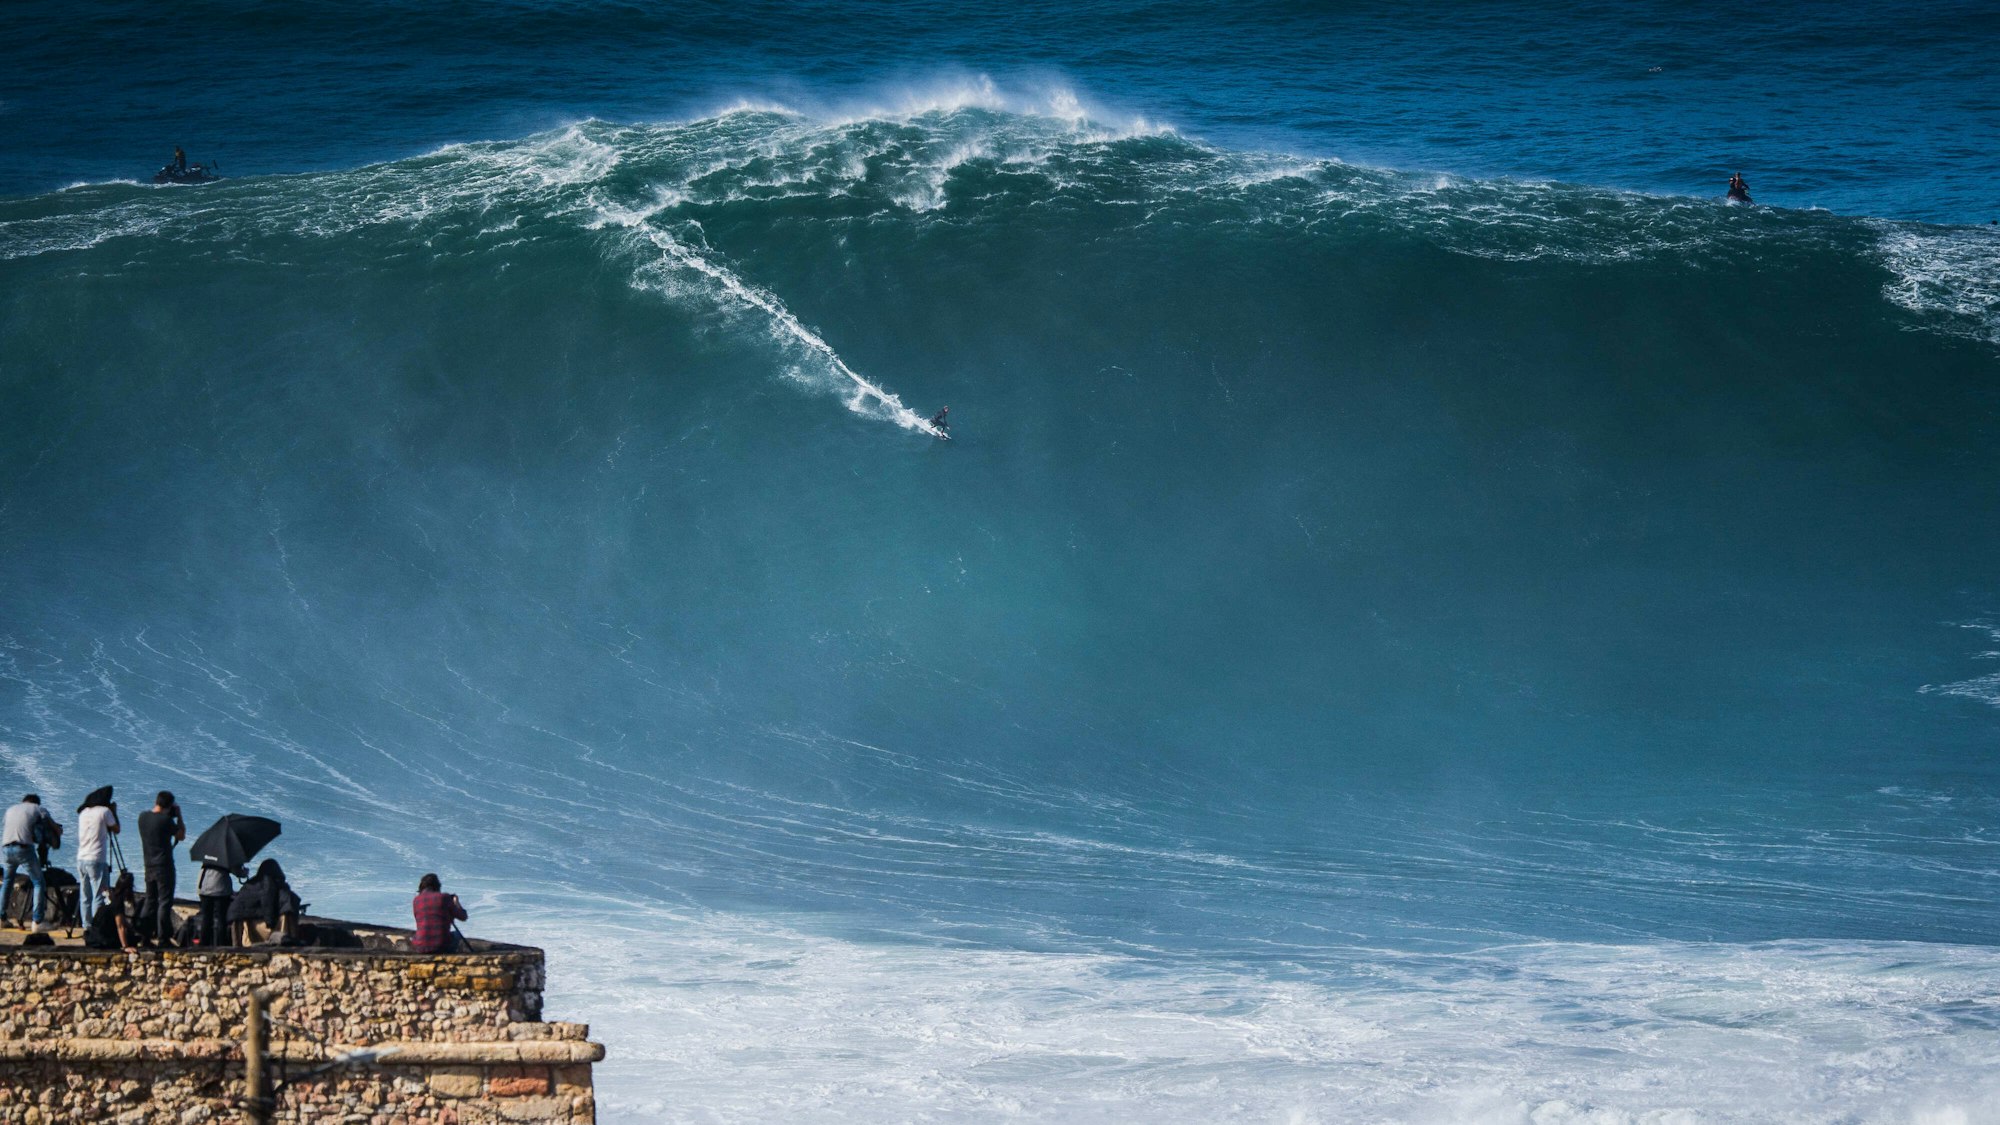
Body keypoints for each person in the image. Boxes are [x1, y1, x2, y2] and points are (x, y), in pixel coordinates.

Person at [2, 794, 60, 931]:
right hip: (23, 848)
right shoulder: (38, 809)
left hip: (6, 848)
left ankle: (2, 918)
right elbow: (52, 827)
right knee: (39, 882)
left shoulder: (11, 809)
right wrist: (57, 832)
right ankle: (38, 921)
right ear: (36, 802)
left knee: (7, 882)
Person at [136, 791, 185, 945]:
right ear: (169, 805)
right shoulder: (165, 821)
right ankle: (163, 938)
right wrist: (179, 816)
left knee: (150, 901)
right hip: (164, 866)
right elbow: (181, 835)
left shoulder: (142, 817)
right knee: (164, 902)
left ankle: (144, 936)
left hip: (148, 865)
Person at [75, 789, 121, 930]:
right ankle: (98, 927)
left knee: (85, 896)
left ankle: (86, 927)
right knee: (99, 895)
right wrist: (113, 812)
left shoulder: (84, 812)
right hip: (96, 858)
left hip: (81, 858)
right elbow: (116, 829)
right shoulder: (104, 811)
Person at [229, 858, 302, 945]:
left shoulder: (248, 888)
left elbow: (235, 910)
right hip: (280, 930)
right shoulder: (284, 891)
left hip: (253, 932)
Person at [84, 871, 142, 950]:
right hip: (102, 939)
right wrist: (126, 947)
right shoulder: (118, 903)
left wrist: (131, 929)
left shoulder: (113, 897)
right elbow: (120, 926)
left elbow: (122, 921)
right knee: (132, 940)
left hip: (94, 935)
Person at [411, 873, 467, 954]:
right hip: (440, 946)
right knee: (456, 934)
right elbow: (463, 916)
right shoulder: (444, 897)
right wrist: (456, 902)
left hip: (420, 945)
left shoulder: (416, 900)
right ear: (437, 885)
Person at [196, 859, 244, 948]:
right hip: (220, 888)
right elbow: (237, 871)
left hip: (203, 885)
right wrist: (243, 872)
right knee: (222, 919)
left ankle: (203, 944)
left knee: (206, 918)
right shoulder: (227, 853)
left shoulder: (208, 851)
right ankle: (222, 945)